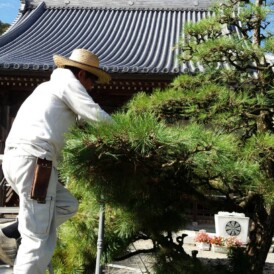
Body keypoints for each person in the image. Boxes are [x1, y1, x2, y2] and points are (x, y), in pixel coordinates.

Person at [1, 48, 112, 273]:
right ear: (81, 75)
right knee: (38, 240)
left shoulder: (47, 88)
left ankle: (11, 232)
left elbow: (80, 121)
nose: (92, 87)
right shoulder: (68, 83)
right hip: (36, 164)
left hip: (18, 161)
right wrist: (126, 133)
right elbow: (94, 114)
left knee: (67, 205)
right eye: (92, 80)